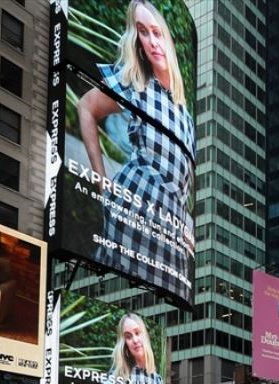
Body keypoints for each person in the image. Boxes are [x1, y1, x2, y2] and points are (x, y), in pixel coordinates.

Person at [76, 0, 195, 298]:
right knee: (119, 295)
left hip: (168, 234)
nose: (153, 41)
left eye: (157, 32)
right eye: (143, 32)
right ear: (137, 40)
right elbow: (85, 107)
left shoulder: (186, 114)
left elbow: (182, 181)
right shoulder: (137, 84)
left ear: (168, 37)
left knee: (158, 307)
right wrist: (101, 182)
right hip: (131, 214)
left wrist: (186, 228)